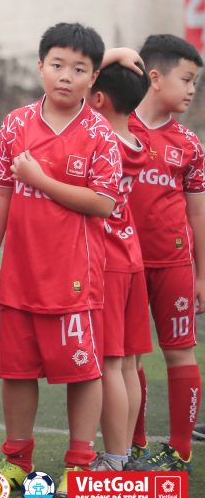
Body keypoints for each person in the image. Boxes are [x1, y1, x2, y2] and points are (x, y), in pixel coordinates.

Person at [0, 22, 120, 498]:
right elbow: (2, 193)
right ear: (40, 66)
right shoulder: (15, 124)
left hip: (73, 277)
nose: (66, 76)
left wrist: (41, 180)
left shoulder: (100, 134)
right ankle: (16, 459)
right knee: (16, 370)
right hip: (20, 272)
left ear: (93, 77)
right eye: (57, 65)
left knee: (82, 371)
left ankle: (80, 463)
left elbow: (103, 203)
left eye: (79, 69)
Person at [127, 34, 204, 471]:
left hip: (174, 264)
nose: (192, 90)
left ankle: (179, 449)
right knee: (127, 355)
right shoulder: (115, 128)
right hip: (124, 264)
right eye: (187, 79)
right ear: (154, 77)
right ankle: (133, 443)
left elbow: (198, 213)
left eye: (196, 82)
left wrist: (201, 274)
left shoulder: (189, 144)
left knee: (179, 351)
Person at [87, 60, 153, 471]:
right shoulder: (136, 143)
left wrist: (109, 55)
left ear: (98, 98)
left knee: (110, 362)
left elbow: (61, 97)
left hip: (107, 260)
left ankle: (113, 458)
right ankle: (124, 453)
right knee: (128, 362)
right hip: (131, 256)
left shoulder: (99, 139)